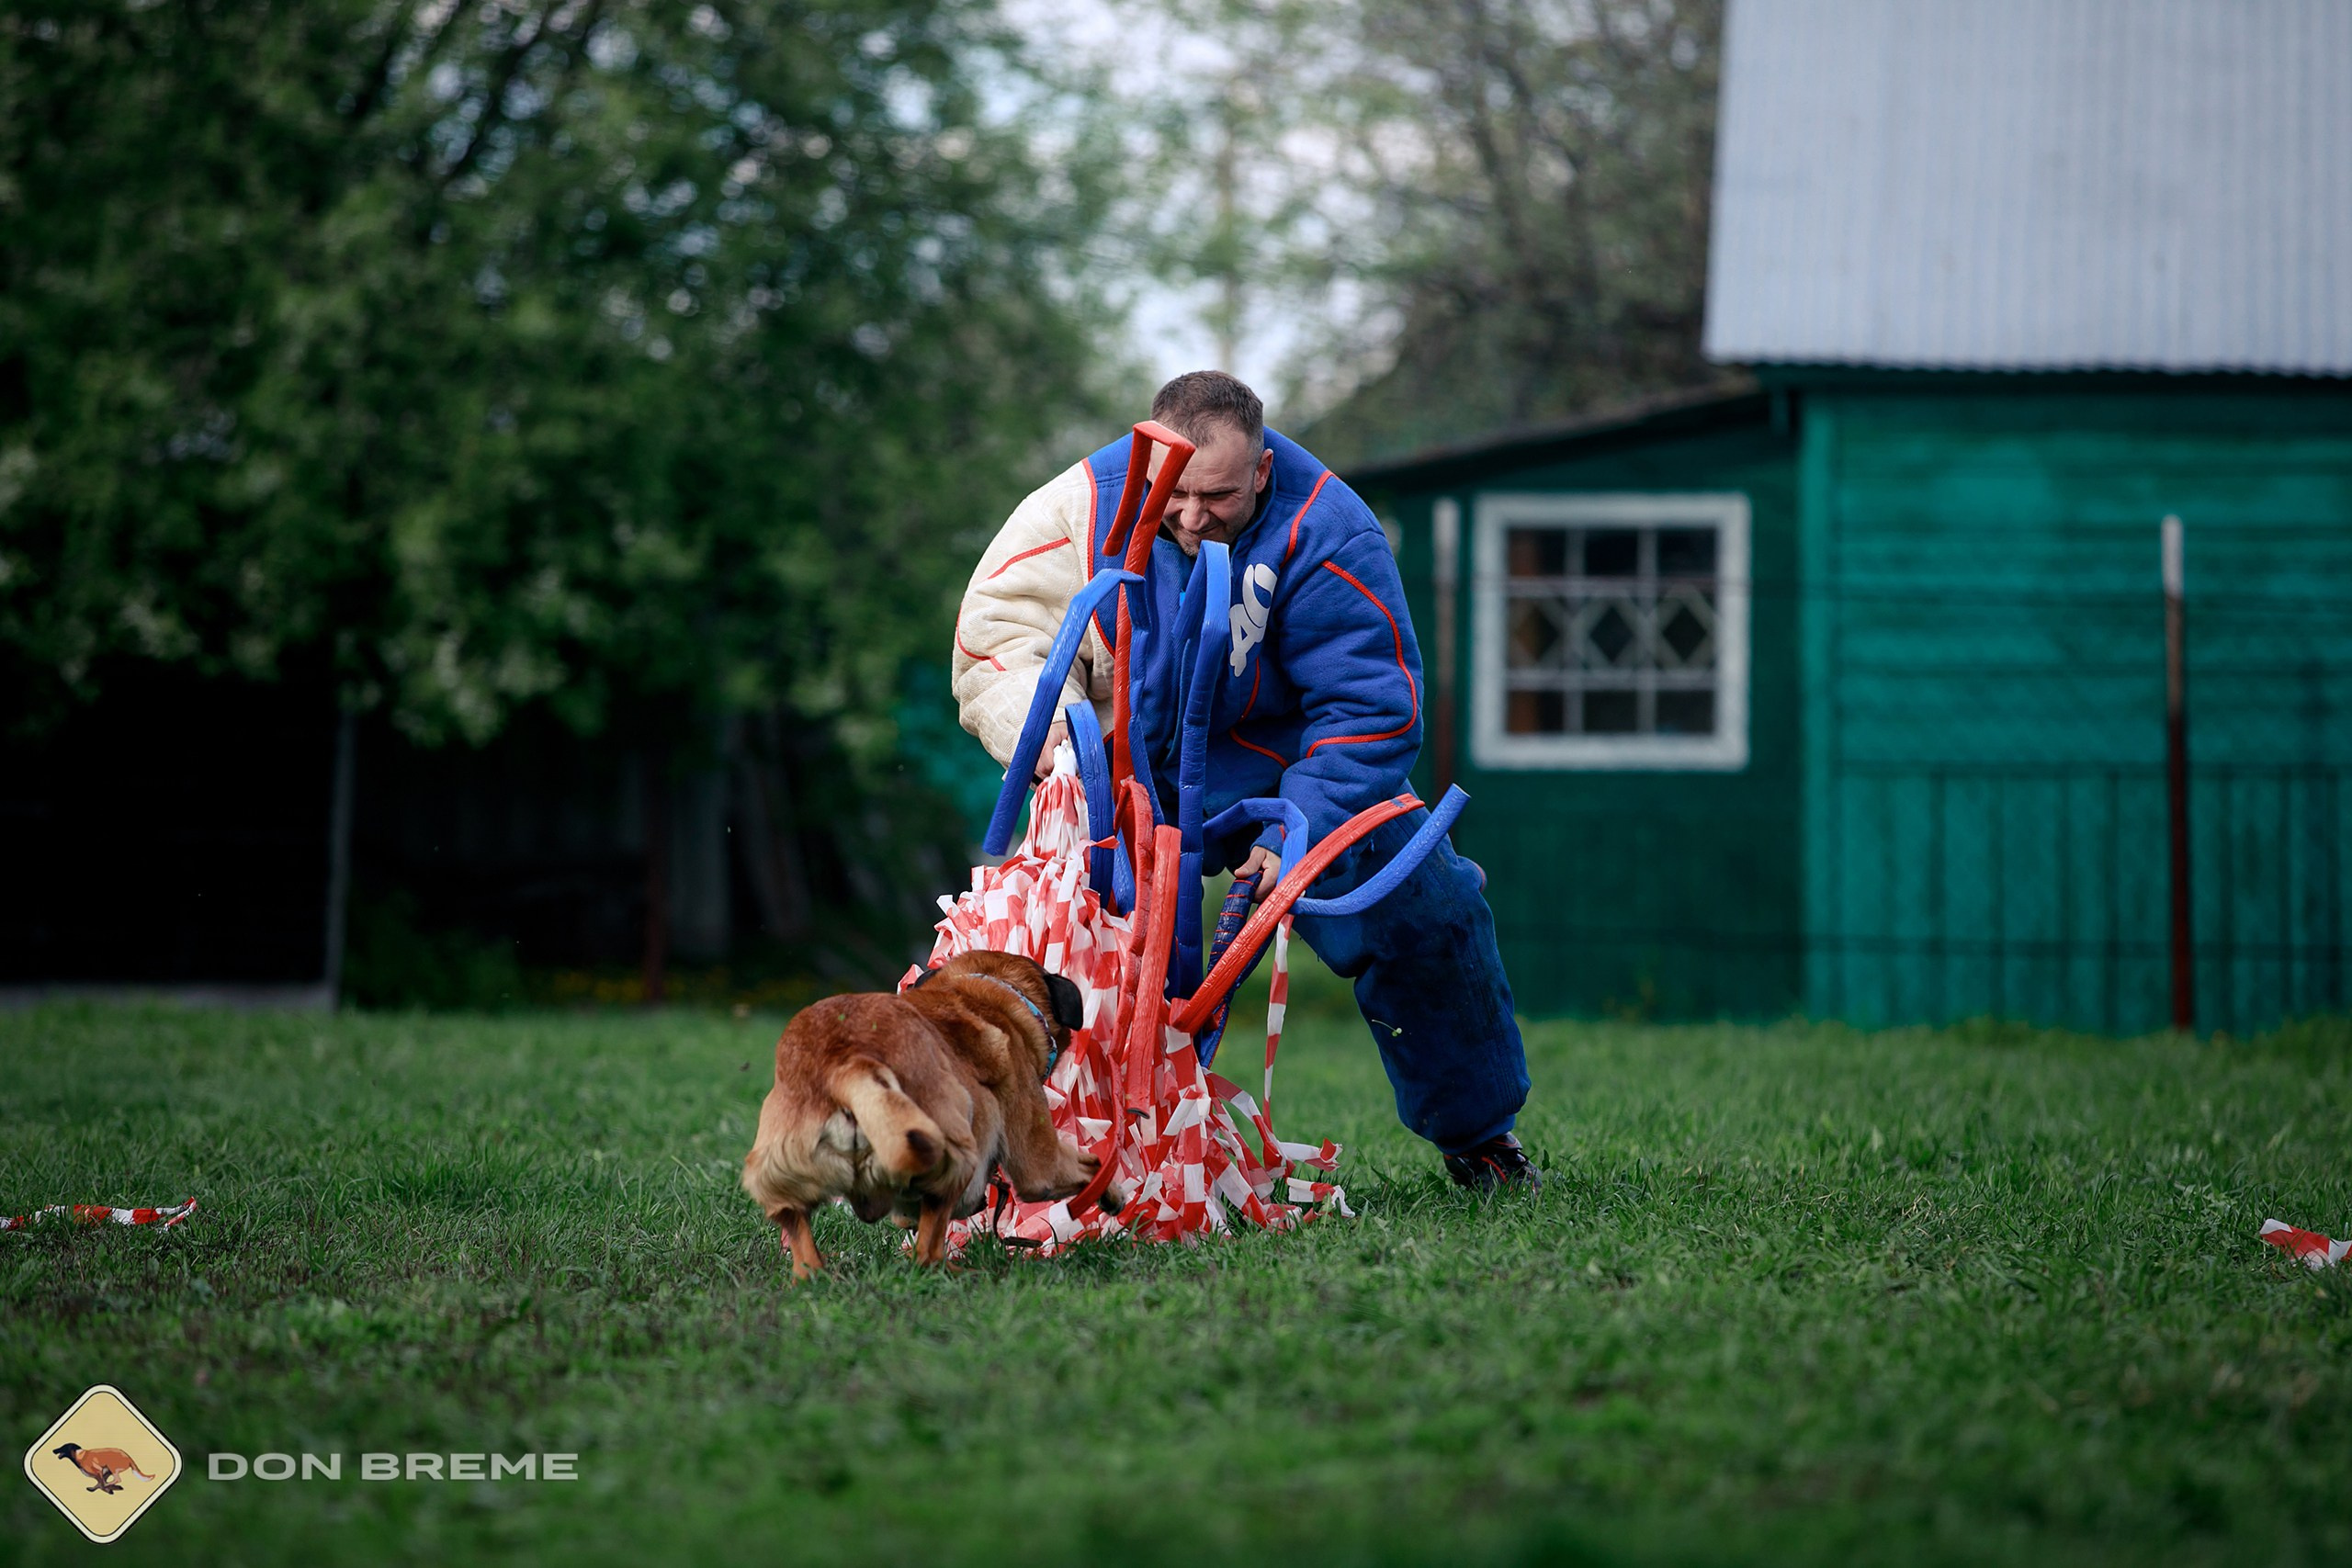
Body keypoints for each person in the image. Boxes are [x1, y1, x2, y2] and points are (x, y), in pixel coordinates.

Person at [952, 371, 1535, 1190]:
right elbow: (996, 633)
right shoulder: (1080, 506)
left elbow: (1370, 704)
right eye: (1176, 493)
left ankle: (1481, 1138)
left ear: (1262, 470)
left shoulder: (1330, 526)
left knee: (1428, 908)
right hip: (1124, 772)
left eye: (1219, 496)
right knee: (1063, 956)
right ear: (1148, 455)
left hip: (1291, 770)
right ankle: (1039, 1161)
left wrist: (1300, 826)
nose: (1193, 517)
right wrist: (1051, 741)